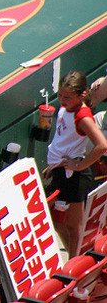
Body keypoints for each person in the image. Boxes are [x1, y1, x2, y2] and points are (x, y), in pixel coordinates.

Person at [43, 70, 107, 258]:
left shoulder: (83, 117)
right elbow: (61, 141)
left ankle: (73, 264)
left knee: (73, 226)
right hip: (59, 171)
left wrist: (78, 166)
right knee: (57, 222)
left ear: (82, 95)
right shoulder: (66, 109)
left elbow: (102, 146)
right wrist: (52, 166)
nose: (62, 100)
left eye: (68, 97)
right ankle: (75, 256)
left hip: (74, 177)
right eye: (60, 95)